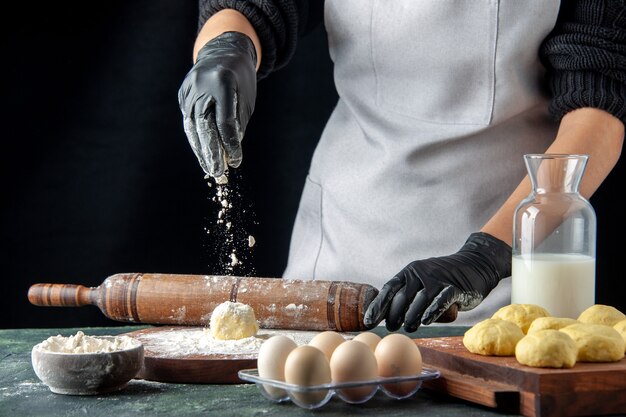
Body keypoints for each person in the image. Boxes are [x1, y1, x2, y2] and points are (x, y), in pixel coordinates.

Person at [178, 1, 625, 332]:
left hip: (510, 257)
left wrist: (488, 255)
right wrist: (227, 45)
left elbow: (596, 106)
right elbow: (253, 7)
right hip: (343, 246)